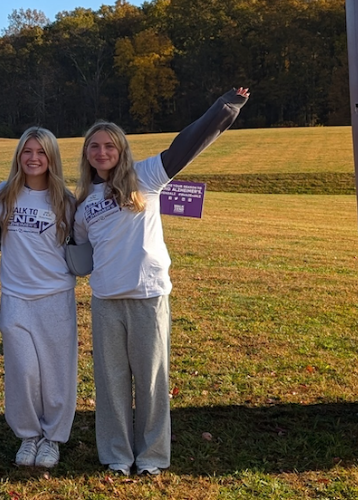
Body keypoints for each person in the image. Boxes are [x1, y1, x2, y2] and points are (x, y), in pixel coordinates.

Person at [74, 87, 250, 476]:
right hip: (105, 301)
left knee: (152, 382)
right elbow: (80, 254)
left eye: (109, 145)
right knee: (111, 384)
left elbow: (186, 145)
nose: (102, 152)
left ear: (121, 149)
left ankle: (152, 458)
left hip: (148, 297)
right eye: (94, 147)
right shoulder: (83, 202)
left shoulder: (145, 176)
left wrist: (224, 107)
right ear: (86, 154)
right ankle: (117, 456)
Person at [0, 127, 78, 469]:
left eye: (41, 152)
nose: (33, 158)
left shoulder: (66, 202)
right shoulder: (3, 195)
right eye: (27, 151)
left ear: (51, 157)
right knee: (23, 370)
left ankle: (53, 438)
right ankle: (29, 435)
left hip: (55, 297)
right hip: (15, 297)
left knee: (56, 372)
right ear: (18, 156)